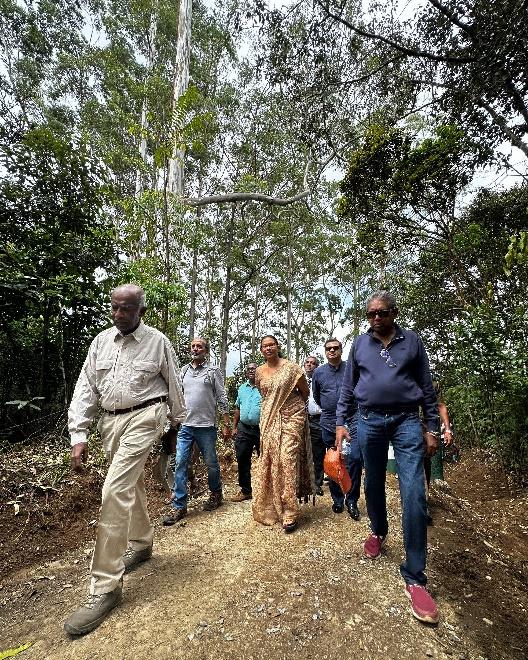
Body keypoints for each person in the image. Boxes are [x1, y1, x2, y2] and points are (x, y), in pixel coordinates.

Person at [64, 284, 187, 636]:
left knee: (114, 489)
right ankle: (143, 542)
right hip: (110, 420)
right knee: (131, 483)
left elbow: (174, 386)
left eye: (126, 309)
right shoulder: (101, 342)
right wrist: (79, 434)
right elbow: (85, 388)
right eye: (114, 308)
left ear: (140, 311)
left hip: (147, 415)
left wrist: (177, 426)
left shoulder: (158, 342)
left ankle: (105, 587)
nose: (118, 315)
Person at [336, 290, 440, 625]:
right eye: (371, 314)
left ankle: (414, 576)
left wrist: (432, 427)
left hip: (407, 421)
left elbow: (426, 385)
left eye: (382, 313)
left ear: (394, 313)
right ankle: (378, 530)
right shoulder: (359, 344)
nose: (376, 319)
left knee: (413, 494)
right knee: (374, 482)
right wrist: (340, 422)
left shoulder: (412, 342)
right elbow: (348, 387)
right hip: (367, 421)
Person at [162, 337, 230, 525]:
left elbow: (221, 396)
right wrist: (172, 419)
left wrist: (226, 423)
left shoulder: (213, 371)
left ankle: (216, 494)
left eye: (199, 346)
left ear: (206, 350)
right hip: (185, 425)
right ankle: (179, 506)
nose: (195, 348)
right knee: (180, 462)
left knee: (211, 463)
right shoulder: (183, 372)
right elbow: (176, 396)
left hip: (206, 426)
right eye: (193, 346)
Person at [252, 335, 315, 533]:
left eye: (272, 344)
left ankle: (290, 510)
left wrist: (293, 411)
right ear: (261, 350)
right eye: (265, 346)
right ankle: (272, 504)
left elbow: (304, 392)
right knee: (270, 459)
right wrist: (273, 412)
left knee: (287, 458)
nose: (268, 348)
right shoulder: (259, 372)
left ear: (278, 347)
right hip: (269, 419)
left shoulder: (292, 368)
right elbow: (266, 397)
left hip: (292, 417)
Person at [312, 338, 362, 520]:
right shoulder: (319, 373)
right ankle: (338, 499)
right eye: (328, 349)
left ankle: (352, 499)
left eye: (335, 348)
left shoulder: (351, 368)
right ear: (325, 352)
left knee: (355, 459)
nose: (332, 351)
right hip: (329, 421)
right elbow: (317, 396)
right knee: (333, 461)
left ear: (341, 350)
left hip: (353, 419)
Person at [424, 381, 454, 523]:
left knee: (425, 465)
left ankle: (423, 504)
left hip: (427, 432)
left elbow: (440, 406)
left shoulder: (431, 383)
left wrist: (447, 429)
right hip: (407, 430)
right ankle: (416, 505)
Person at [231, 362, 261, 502]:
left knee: (266, 460)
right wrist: (234, 427)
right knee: (242, 458)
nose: (251, 371)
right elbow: (237, 408)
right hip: (244, 429)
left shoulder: (264, 387)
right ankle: (246, 490)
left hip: (262, 429)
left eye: (254, 369)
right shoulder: (242, 388)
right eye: (248, 369)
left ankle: (266, 491)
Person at [304, 355, 325, 496]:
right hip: (304, 420)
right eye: (307, 362)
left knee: (319, 452)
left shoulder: (321, 379)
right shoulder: (299, 380)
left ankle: (318, 483)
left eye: (313, 363)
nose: (310, 365)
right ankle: (307, 482)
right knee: (306, 452)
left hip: (320, 419)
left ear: (316, 366)